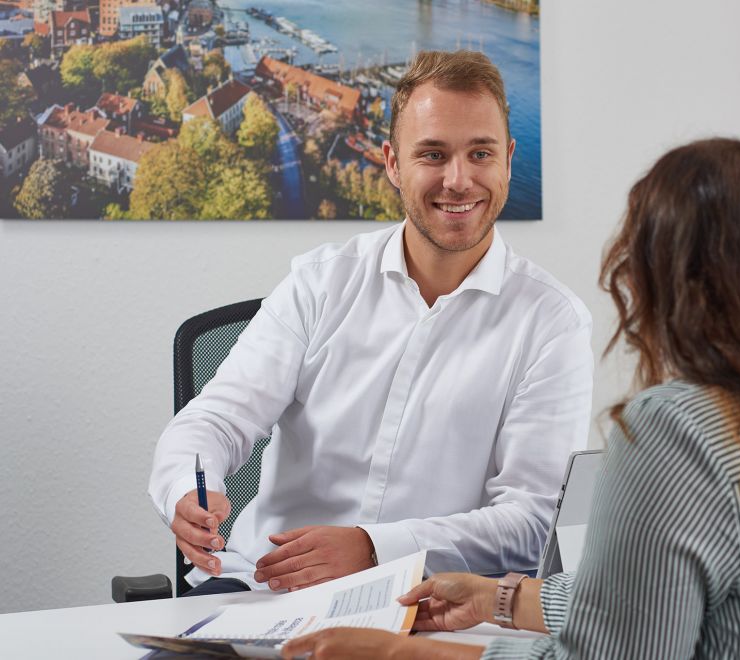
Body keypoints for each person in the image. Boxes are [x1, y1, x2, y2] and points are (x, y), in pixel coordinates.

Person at [281, 138, 740, 659]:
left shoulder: (675, 430)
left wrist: (398, 652)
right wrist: (502, 598)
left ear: (658, 277)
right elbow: (653, 593)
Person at [148, 50, 594, 596]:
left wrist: (374, 548)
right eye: (432, 154)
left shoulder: (552, 323)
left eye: (481, 153)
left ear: (507, 160)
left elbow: (533, 523)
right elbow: (213, 422)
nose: (459, 180)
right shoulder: (318, 284)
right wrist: (185, 490)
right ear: (392, 164)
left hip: (433, 609)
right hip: (267, 592)